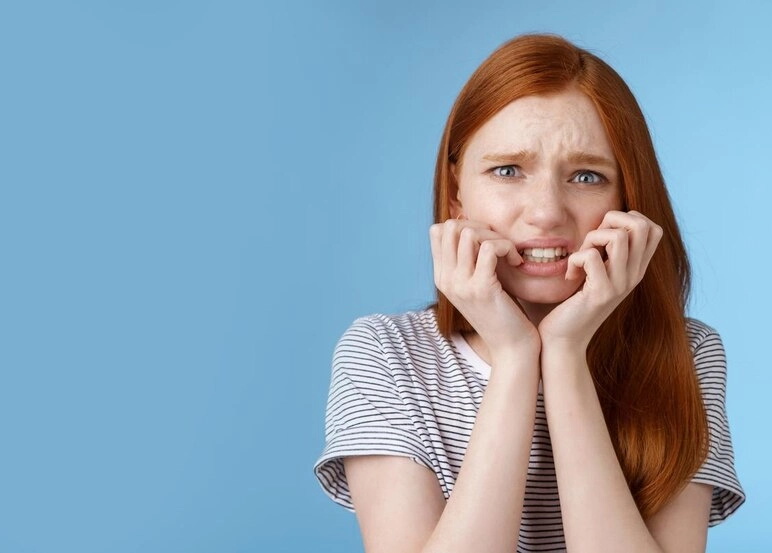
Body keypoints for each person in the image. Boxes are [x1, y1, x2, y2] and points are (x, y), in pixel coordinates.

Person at [312, 34, 745, 553]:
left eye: (586, 176)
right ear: (456, 195)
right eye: (507, 171)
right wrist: (517, 356)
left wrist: (564, 354)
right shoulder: (383, 354)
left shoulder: (687, 355)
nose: (546, 212)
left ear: (629, 199)